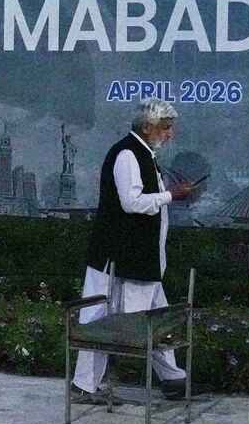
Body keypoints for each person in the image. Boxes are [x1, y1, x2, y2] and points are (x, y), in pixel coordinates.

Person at [73, 97, 197, 404]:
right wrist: (171, 195)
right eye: (165, 128)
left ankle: (172, 378)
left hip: (140, 258)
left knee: (152, 316)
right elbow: (131, 202)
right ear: (147, 127)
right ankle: (85, 384)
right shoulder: (128, 154)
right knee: (105, 319)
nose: (169, 134)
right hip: (121, 257)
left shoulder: (143, 154)